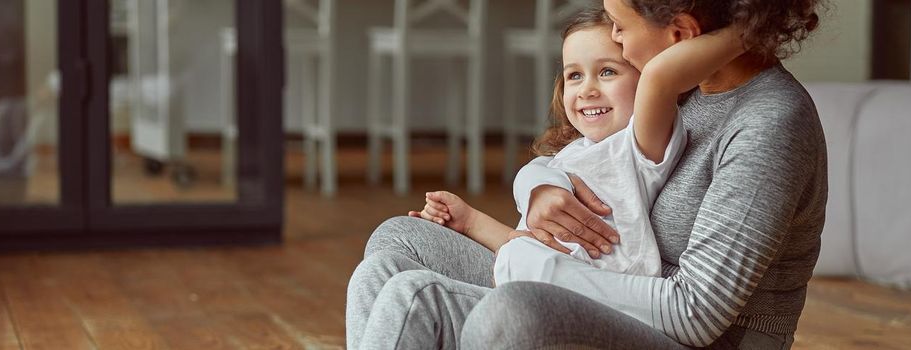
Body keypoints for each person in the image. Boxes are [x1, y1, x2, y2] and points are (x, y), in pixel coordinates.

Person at [347, 0, 827, 347]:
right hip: (601, 285)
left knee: (480, 308)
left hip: (696, 337)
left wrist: (538, 267)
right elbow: (586, 157)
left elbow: (695, 316)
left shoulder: (766, 122)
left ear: (680, 34)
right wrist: (538, 184)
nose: (613, 38)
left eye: (619, 26)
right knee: (396, 248)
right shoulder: (690, 85)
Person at [408, 22, 744, 283]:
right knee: (401, 256)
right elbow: (530, 243)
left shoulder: (641, 146)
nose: (588, 89)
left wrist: (749, 31)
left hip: (596, 301)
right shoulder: (570, 157)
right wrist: (470, 221)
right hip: (525, 285)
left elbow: (661, 78)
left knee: (414, 291)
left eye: (608, 71)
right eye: (574, 76)